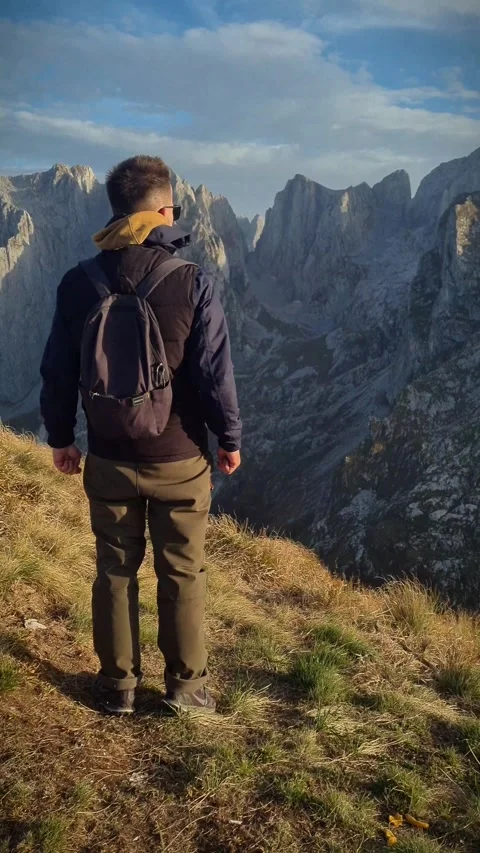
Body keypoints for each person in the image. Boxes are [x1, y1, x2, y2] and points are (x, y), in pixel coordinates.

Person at [40, 155, 241, 716]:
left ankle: (119, 687)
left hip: (107, 456)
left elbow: (57, 369)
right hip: (179, 459)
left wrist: (61, 436)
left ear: (115, 211)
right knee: (182, 571)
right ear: (164, 211)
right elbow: (214, 372)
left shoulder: (78, 283)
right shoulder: (192, 281)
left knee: (114, 570)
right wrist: (229, 438)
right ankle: (185, 688)